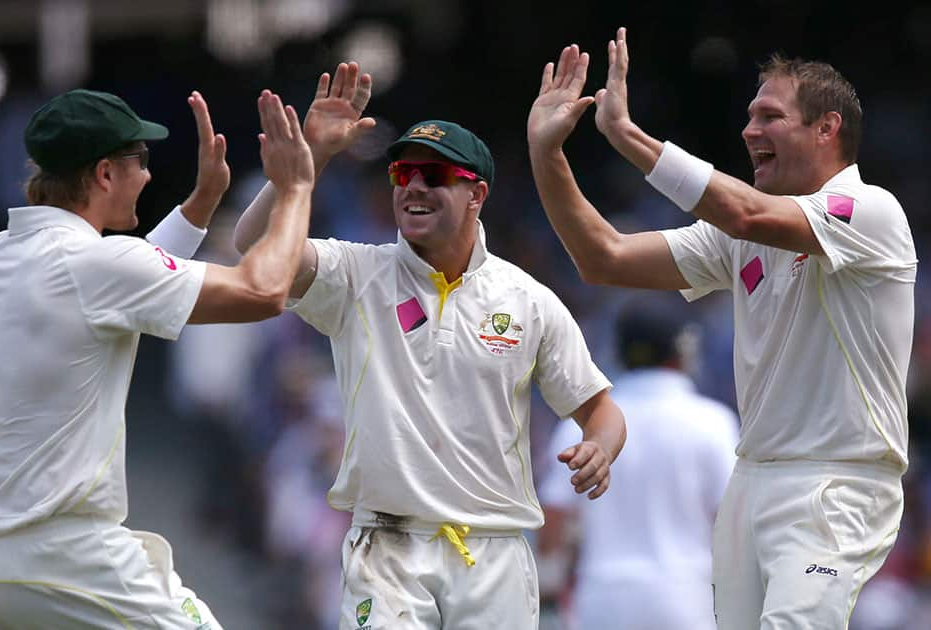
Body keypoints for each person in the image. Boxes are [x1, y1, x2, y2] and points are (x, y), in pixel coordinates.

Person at [527, 27, 916, 629]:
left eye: (770, 116)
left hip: (836, 482)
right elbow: (601, 257)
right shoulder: (739, 239)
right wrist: (547, 155)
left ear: (826, 128)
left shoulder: (870, 211)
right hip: (751, 479)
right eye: (749, 116)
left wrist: (627, 137)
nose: (748, 130)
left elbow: (742, 209)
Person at [233, 62, 626, 629]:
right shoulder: (354, 273)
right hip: (387, 547)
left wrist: (600, 445)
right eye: (403, 172)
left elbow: (600, 409)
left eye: (435, 174)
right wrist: (309, 161)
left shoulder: (527, 298)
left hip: (493, 552)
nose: (414, 185)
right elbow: (254, 246)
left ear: (477, 194)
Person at [0, 85, 316, 628]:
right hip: (68, 563)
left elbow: (124, 278)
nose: (147, 176)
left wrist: (200, 204)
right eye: (139, 161)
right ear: (103, 174)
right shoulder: (93, 267)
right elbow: (263, 292)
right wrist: (296, 188)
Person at [536, 294, 738, 630]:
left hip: (603, 598)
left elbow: (553, 517)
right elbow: (730, 521)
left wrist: (549, 587)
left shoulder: (581, 427)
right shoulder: (713, 423)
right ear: (684, 351)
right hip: (685, 596)